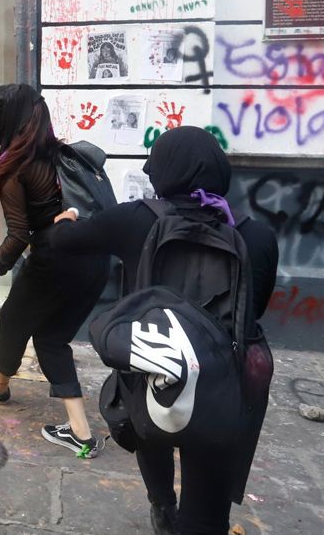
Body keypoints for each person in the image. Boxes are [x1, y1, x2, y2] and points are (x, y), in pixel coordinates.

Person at [49, 126, 279, 535]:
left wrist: (67, 219)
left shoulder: (133, 219)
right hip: (221, 385)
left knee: (148, 424)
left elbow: (64, 242)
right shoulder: (257, 236)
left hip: (151, 366)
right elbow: (251, 313)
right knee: (206, 518)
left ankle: (161, 505)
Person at [0, 83, 111, 458]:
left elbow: (18, 236)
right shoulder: (64, 153)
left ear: (5, 117)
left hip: (54, 261)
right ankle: (81, 434)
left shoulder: (14, 166)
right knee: (51, 338)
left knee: (13, 317)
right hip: (95, 261)